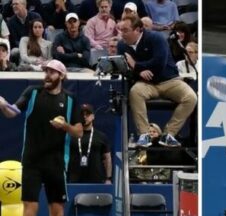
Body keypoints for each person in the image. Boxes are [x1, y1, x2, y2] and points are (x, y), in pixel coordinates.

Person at [0, 59, 83, 216]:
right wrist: (2, 105)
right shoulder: (32, 92)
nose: (47, 75)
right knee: (30, 210)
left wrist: (65, 126)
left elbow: (79, 131)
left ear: (61, 76)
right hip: (32, 162)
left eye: (52, 72)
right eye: (45, 71)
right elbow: (13, 112)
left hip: (56, 163)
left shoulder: (71, 99)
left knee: (57, 213)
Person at [118, 15, 197, 147]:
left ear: (138, 30)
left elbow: (159, 63)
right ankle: (144, 134)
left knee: (191, 97)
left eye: (126, 30)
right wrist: (139, 71)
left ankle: (168, 134)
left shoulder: (156, 38)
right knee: (135, 92)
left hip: (169, 81)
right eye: (121, 30)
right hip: (146, 83)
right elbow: (125, 69)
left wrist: (136, 65)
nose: (122, 34)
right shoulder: (122, 45)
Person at [69, 103, 112, 184]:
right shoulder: (71, 135)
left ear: (93, 116)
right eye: (82, 114)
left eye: (87, 114)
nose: (84, 117)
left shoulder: (101, 136)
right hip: (74, 180)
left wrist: (108, 178)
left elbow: (107, 158)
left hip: (96, 180)